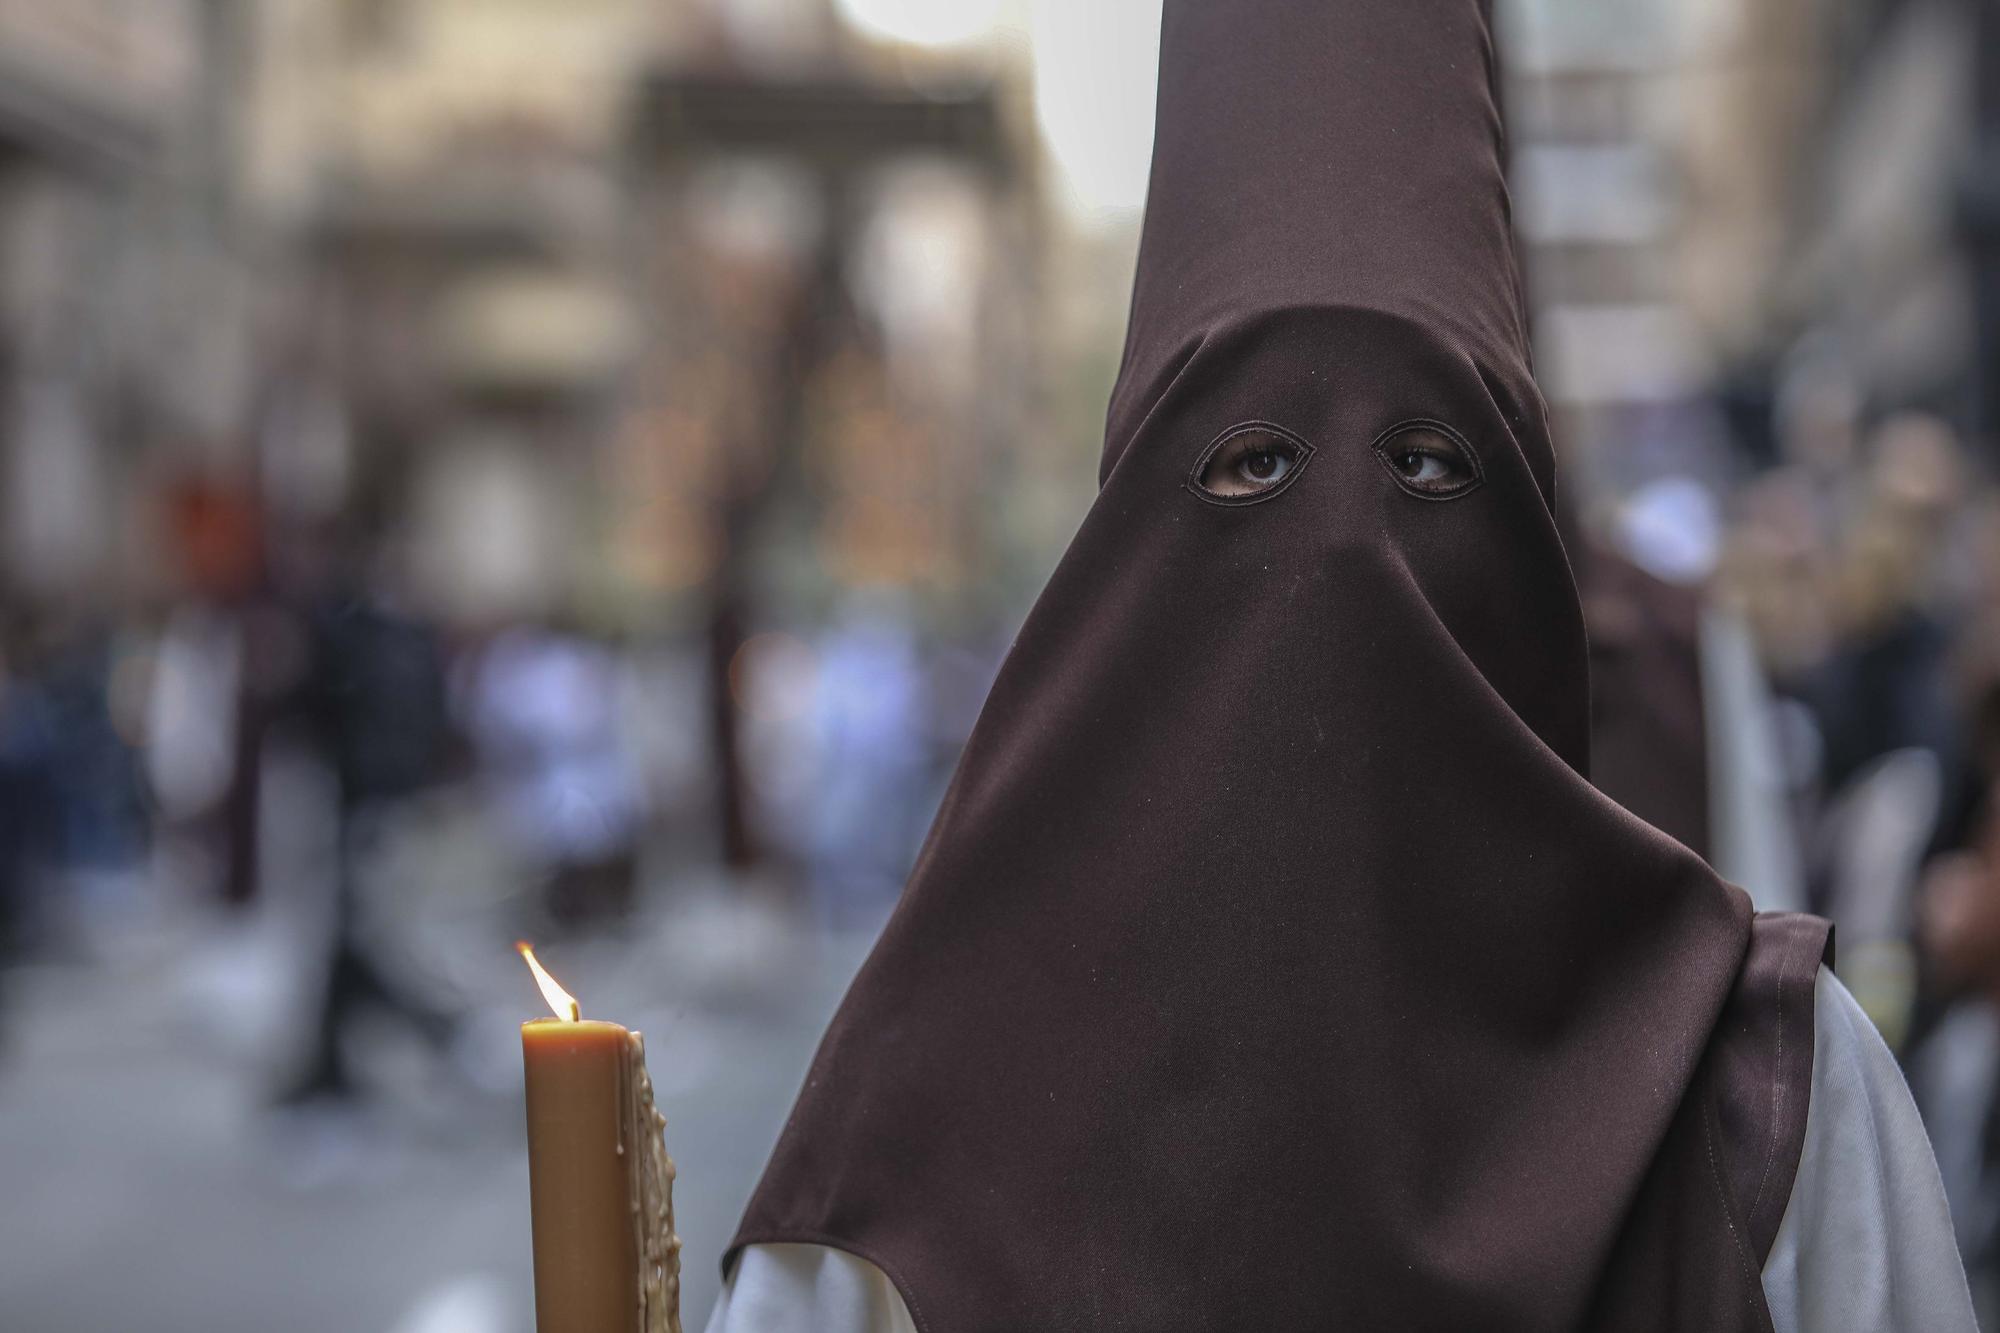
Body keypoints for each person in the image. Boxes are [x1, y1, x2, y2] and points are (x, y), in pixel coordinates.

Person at [708, 1, 1975, 1328]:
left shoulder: (1773, 1092)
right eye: (1257, 461)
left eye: (1427, 465)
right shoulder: (906, 1151)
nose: (1349, 552)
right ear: (1132, 553)